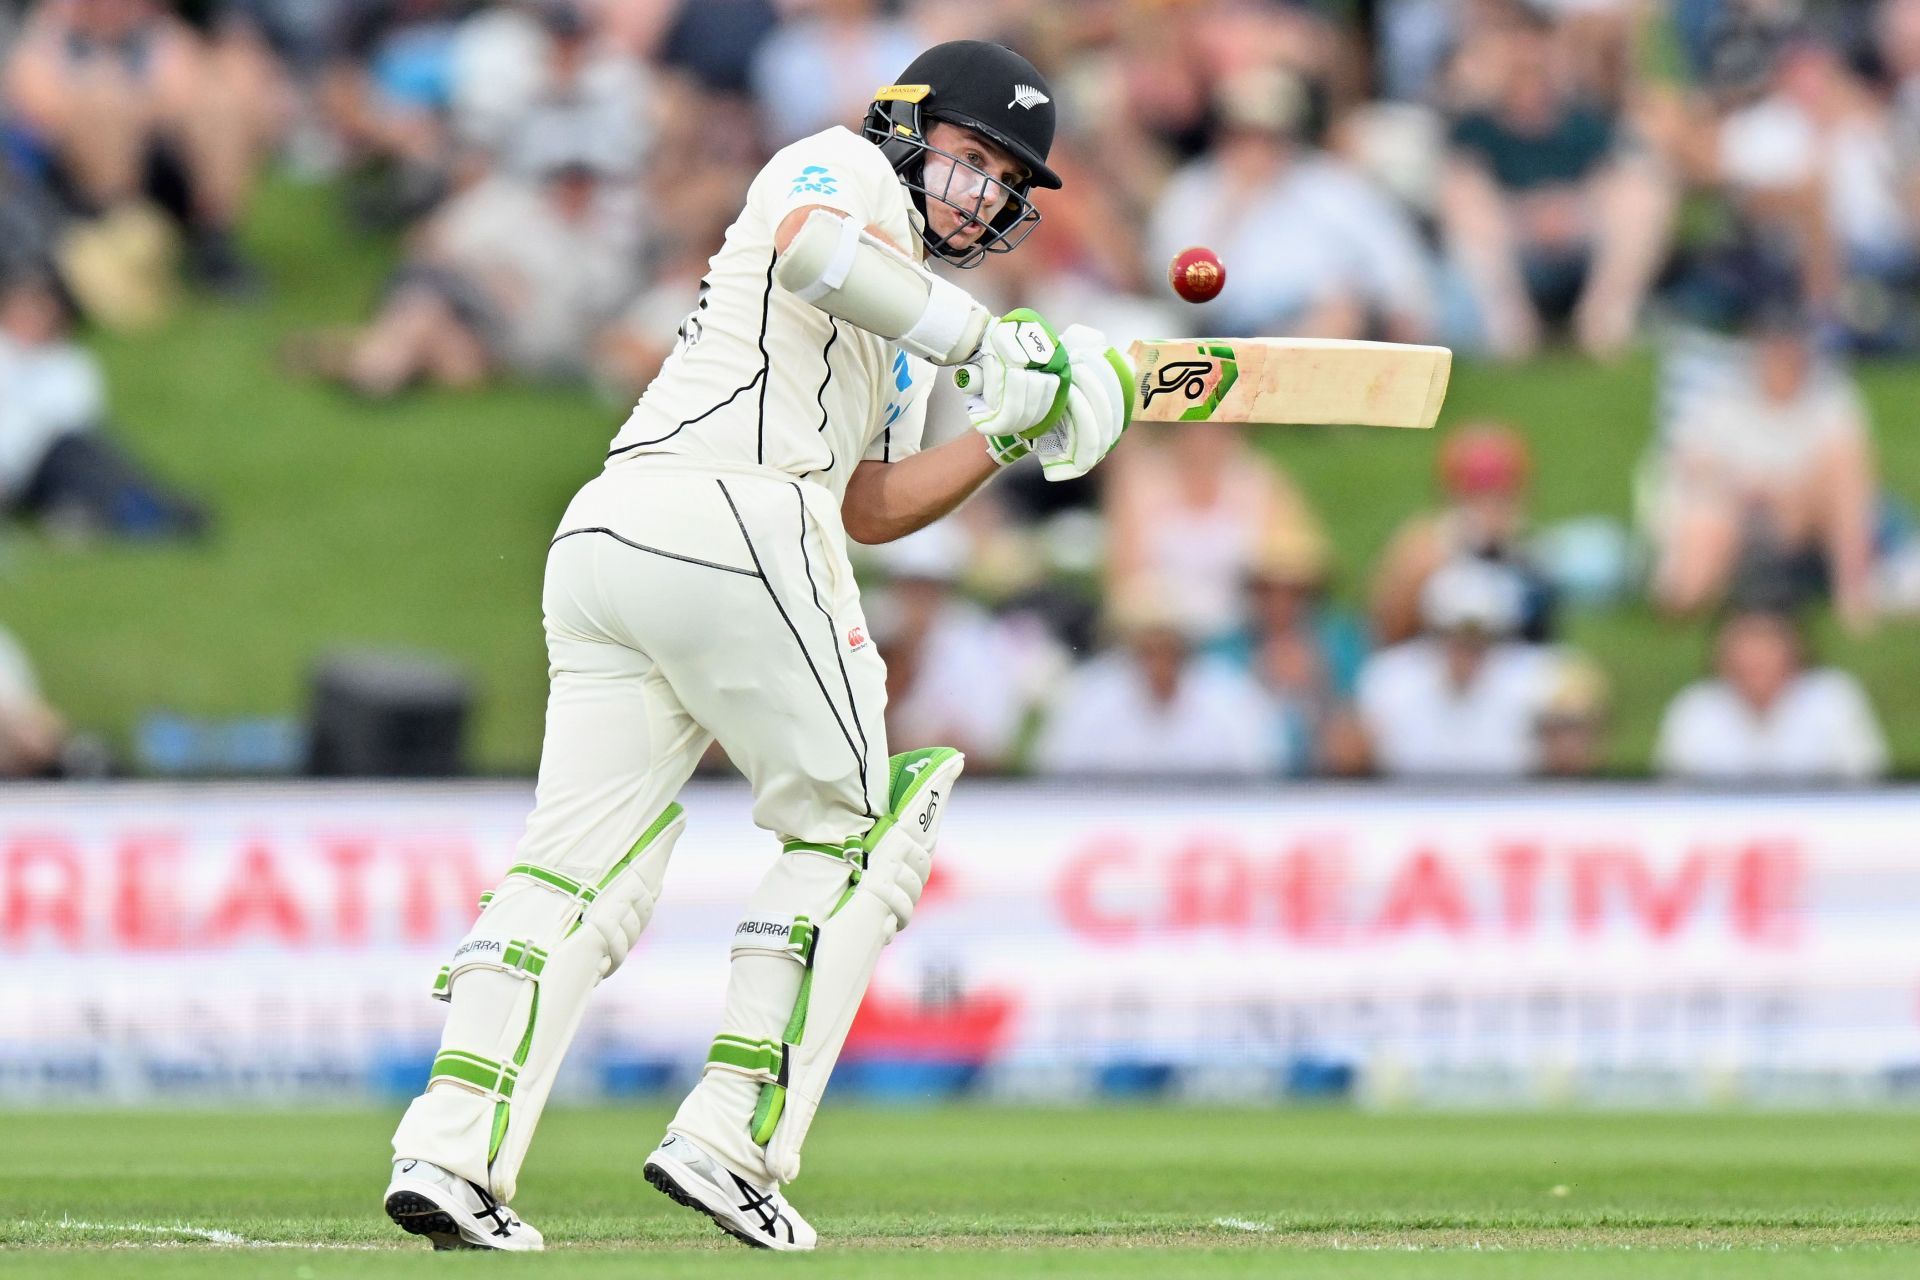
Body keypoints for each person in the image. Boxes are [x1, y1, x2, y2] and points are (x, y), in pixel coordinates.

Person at [382, 41, 1135, 1252]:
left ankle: (449, 1147)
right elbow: (816, 253)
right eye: (972, 155)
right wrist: (991, 345)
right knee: (862, 827)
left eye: (1006, 179)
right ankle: (732, 1135)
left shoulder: (911, 323)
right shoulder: (836, 166)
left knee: (580, 865)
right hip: (724, 512)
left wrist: (1010, 429)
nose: (983, 191)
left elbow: (872, 505)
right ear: (905, 124)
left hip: (623, 540)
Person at [1649, 305, 1878, 630]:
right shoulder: (1718, 401)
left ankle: (1853, 596)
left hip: (1800, 517)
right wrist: (1748, 490)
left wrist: (1779, 493)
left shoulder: (1828, 399)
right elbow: (1690, 467)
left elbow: (1848, 470)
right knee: (1694, 568)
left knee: (1843, 474)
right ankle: (1703, 600)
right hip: (1730, 514)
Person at [1032, 587, 1284, 778]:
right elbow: (1055, 772)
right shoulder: (1089, 694)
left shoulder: (1230, 695)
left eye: (1167, 648)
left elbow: (1263, 771)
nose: (1159, 663)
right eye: (1148, 650)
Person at [1355, 557, 1562, 779]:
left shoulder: (1540, 680)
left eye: (1479, 640)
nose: (1465, 652)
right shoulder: (1389, 680)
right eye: (1454, 636)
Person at [1369, 421, 1554, 647]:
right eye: (1479, 497)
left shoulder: (1529, 554)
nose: (1491, 511)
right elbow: (1385, 633)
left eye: (1501, 498)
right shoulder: (1425, 552)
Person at [1655, 607, 1886, 783]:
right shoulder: (1694, 708)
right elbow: (1672, 795)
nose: (1757, 657)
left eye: (1767, 644)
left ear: (1795, 651)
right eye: (1746, 644)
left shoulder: (1834, 698)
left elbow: (1868, 784)